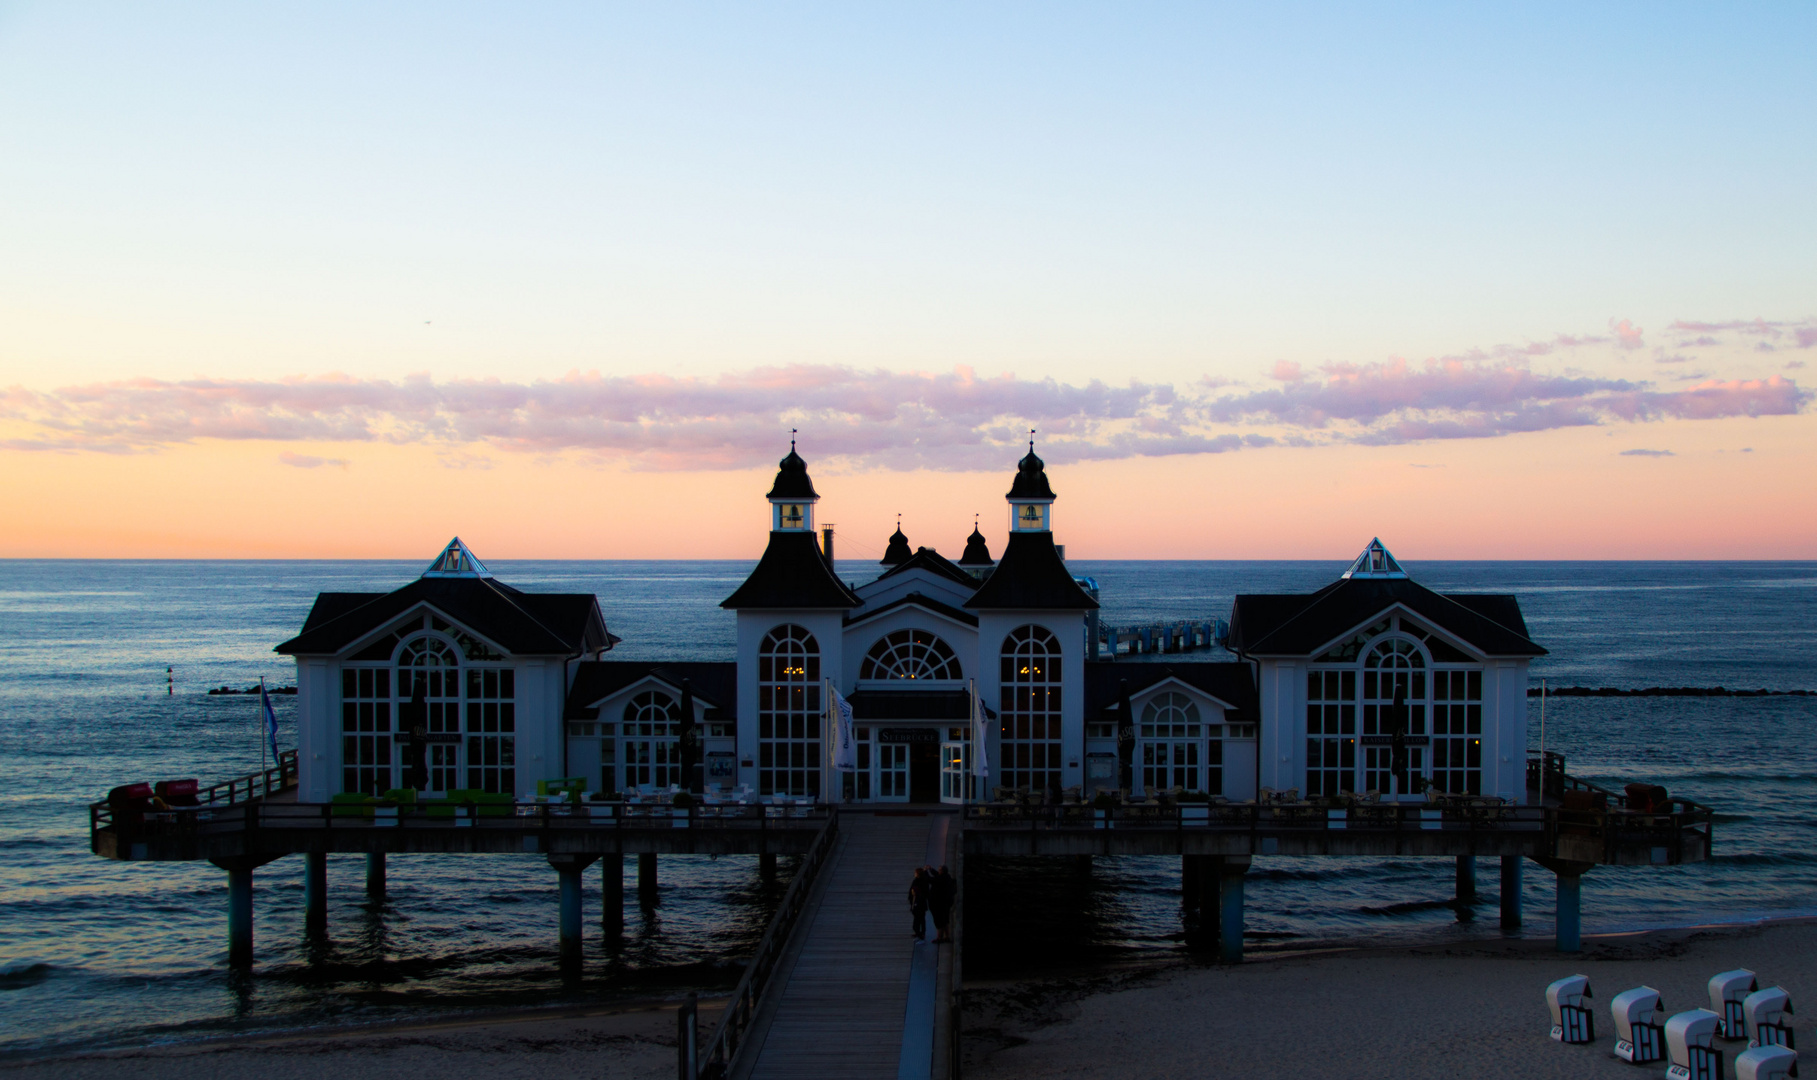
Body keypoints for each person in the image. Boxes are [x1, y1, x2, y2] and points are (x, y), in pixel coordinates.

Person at [929, 865, 956, 943]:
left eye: (940, 870)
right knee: (945, 921)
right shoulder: (947, 877)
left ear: (942, 871)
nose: (939, 871)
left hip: (939, 904)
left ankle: (939, 938)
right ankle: (947, 936)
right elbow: (937, 875)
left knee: (939, 922)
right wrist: (931, 870)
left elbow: (931, 880)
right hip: (946, 903)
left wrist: (925, 873)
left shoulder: (940, 879)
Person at [908, 866, 932, 942]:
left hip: (917, 903)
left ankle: (919, 933)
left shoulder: (916, 882)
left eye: (915, 873)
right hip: (922, 903)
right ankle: (922, 933)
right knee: (922, 919)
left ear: (917, 874)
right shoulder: (925, 881)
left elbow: (912, 893)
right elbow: (927, 893)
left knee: (917, 920)